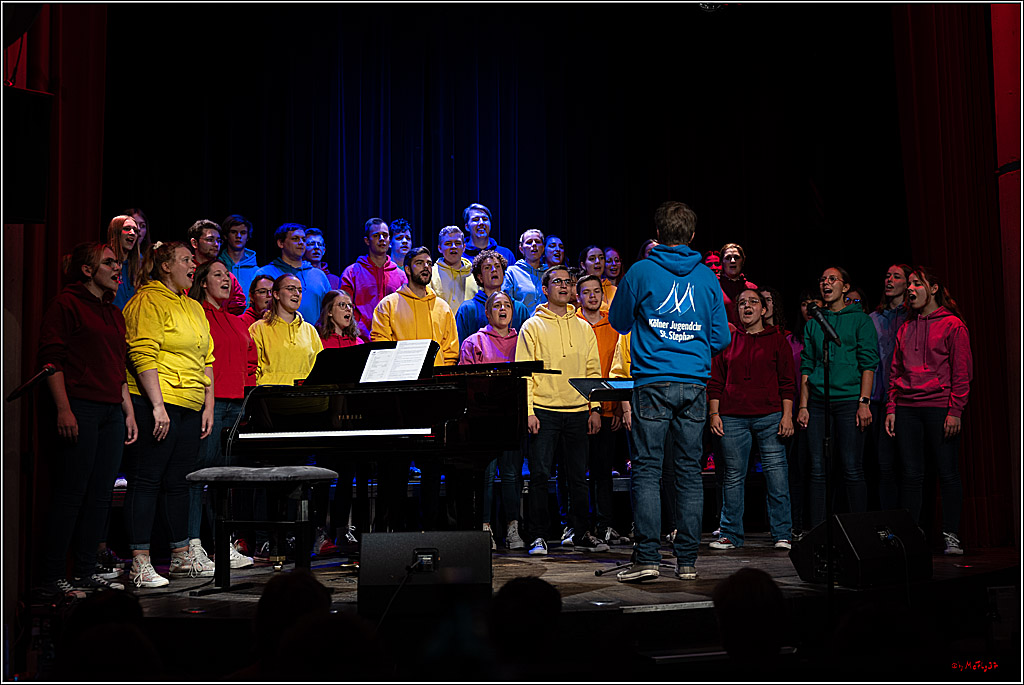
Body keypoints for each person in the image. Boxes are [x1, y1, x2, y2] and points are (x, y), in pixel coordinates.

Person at [608, 201, 730, 582]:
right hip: (693, 383)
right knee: (689, 472)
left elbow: (619, 321)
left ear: (657, 235)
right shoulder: (707, 277)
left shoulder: (642, 270)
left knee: (647, 469)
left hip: (653, 382)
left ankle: (646, 557)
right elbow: (722, 337)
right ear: (692, 237)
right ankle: (687, 562)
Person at [34, 243, 138, 600]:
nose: (117, 268)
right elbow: (51, 359)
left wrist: (127, 411)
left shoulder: (114, 312)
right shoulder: (67, 304)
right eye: (109, 262)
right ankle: (50, 577)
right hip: (81, 406)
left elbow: (118, 366)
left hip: (110, 409)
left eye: (118, 263)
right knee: (71, 493)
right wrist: (63, 408)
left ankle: (84, 571)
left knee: (100, 496)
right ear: (86, 270)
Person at [122, 241, 215, 588]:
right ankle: (140, 561)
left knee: (179, 484)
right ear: (165, 266)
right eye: (186, 260)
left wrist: (207, 405)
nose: (194, 265)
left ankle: (179, 557)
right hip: (156, 403)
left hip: (189, 405)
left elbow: (206, 359)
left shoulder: (193, 306)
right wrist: (158, 406)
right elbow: (141, 353)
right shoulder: (147, 300)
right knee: (147, 481)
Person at [515, 265, 607, 556]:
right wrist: (528, 411)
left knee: (579, 476)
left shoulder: (583, 327)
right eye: (558, 282)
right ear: (545, 289)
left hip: (579, 411)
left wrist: (595, 408)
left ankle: (579, 532)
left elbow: (593, 370)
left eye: (568, 282)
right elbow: (524, 374)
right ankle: (538, 536)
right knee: (540, 476)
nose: (564, 286)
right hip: (544, 410)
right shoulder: (532, 326)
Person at [370, 247, 459, 531]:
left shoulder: (443, 308)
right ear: (407, 269)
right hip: (399, 402)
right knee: (394, 472)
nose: (425, 267)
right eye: (419, 263)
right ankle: (392, 533)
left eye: (429, 263)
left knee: (433, 471)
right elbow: (380, 349)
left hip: (433, 400)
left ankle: (430, 531)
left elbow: (451, 352)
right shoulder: (389, 305)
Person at [885, 266, 972, 555]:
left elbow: (962, 372)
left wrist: (955, 410)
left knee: (947, 473)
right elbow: (895, 372)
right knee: (911, 474)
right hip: (908, 408)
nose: (910, 289)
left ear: (933, 289)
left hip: (939, 407)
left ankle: (951, 535)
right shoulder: (906, 327)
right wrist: (891, 408)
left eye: (916, 284)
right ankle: (912, 535)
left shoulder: (952, 325)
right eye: (908, 284)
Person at [707, 289, 795, 551]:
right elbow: (715, 381)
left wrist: (787, 415)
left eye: (753, 302)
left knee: (776, 475)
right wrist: (714, 413)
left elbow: (787, 382)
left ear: (764, 309)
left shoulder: (777, 340)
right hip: (733, 417)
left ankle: (782, 533)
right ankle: (730, 534)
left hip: (770, 416)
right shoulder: (728, 340)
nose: (747, 306)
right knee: (733, 477)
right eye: (742, 303)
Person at [796, 266, 880, 529]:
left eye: (832, 279)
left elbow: (869, 363)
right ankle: (819, 529)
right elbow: (807, 366)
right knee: (818, 471)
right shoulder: (814, 324)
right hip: (819, 403)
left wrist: (863, 403)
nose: (826, 283)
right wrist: (803, 405)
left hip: (848, 401)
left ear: (845, 287)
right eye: (822, 279)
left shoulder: (860, 320)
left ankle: (859, 529)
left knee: (851, 467)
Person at [185, 260, 256, 570]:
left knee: (225, 479)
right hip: (208, 405)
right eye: (218, 275)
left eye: (228, 275)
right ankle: (192, 545)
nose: (226, 279)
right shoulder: (195, 316)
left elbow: (252, 361)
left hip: (237, 406)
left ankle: (223, 544)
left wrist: (248, 395)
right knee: (200, 475)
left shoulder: (238, 322)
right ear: (203, 282)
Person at [459, 291, 521, 549]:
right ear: (487, 313)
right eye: (497, 305)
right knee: (485, 476)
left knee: (511, 475)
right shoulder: (474, 342)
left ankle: (512, 528)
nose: (503, 309)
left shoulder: (523, 340)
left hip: (512, 416)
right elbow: (466, 384)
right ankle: (485, 528)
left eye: (507, 305)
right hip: (483, 419)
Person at [575, 274, 626, 545]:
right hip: (578, 409)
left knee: (603, 470)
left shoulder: (614, 324)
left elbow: (618, 367)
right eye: (587, 292)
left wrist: (618, 407)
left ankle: (605, 523)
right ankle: (575, 525)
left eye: (597, 291)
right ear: (578, 296)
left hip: (608, 409)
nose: (593, 296)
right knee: (575, 471)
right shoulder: (574, 324)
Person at [866, 264, 911, 511]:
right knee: (883, 464)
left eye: (896, 276)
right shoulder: (873, 319)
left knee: (909, 464)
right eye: (887, 275)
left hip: (907, 398)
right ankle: (888, 520)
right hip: (879, 398)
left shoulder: (912, 316)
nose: (889, 280)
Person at [249, 274, 324, 386]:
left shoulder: (310, 330)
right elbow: (252, 368)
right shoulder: (259, 328)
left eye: (299, 290)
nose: (296, 293)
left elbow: (320, 368)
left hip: (306, 396)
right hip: (272, 397)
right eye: (290, 289)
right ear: (276, 294)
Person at [340, 218, 407, 342]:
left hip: (393, 341)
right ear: (367, 240)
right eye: (376, 235)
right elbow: (343, 309)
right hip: (360, 341)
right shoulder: (351, 272)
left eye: (385, 235)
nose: (382, 239)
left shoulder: (400, 275)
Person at [254, 223, 332, 328]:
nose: (301, 243)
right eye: (295, 239)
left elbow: (329, 310)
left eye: (303, 239)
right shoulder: (265, 273)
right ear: (281, 243)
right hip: (276, 337)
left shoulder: (319, 275)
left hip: (313, 339)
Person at [455, 250, 528, 343]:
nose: (494, 270)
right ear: (480, 277)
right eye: (487, 268)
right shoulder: (467, 309)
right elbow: (461, 346)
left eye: (498, 266)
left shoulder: (520, 309)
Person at [187, 219, 246, 314]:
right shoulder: (185, 271)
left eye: (218, 240)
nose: (216, 244)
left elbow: (238, 305)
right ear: (194, 243)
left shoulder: (227, 276)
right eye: (210, 240)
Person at [429, 225, 478, 311]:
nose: (453, 247)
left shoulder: (475, 274)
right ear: (439, 248)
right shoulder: (431, 274)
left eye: (458, 243)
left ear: (464, 247)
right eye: (448, 243)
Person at [503, 228, 546, 315]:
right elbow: (505, 301)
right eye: (529, 242)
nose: (534, 245)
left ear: (543, 248)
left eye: (537, 241)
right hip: (521, 325)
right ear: (521, 249)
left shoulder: (549, 273)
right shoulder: (512, 272)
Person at [218, 214, 259, 306]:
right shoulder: (216, 266)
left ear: (248, 237)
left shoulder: (257, 271)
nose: (238, 236)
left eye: (243, 232)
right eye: (233, 232)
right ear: (225, 236)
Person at [719, 242, 758, 328]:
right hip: (722, 338)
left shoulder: (752, 288)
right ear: (721, 261)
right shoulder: (714, 286)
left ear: (743, 260)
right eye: (728, 258)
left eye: (736, 257)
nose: (732, 261)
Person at [108, 215, 142, 309]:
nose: (132, 233)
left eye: (135, 230)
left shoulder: (140, 264)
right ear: (116, 232)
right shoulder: (106, 263)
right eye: (127, 229)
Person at [579, 244, 616, 309]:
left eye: (601, 258)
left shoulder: (615, 291)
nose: (597, 261)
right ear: (583, 265)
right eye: (592, 259)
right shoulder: (578, 290)